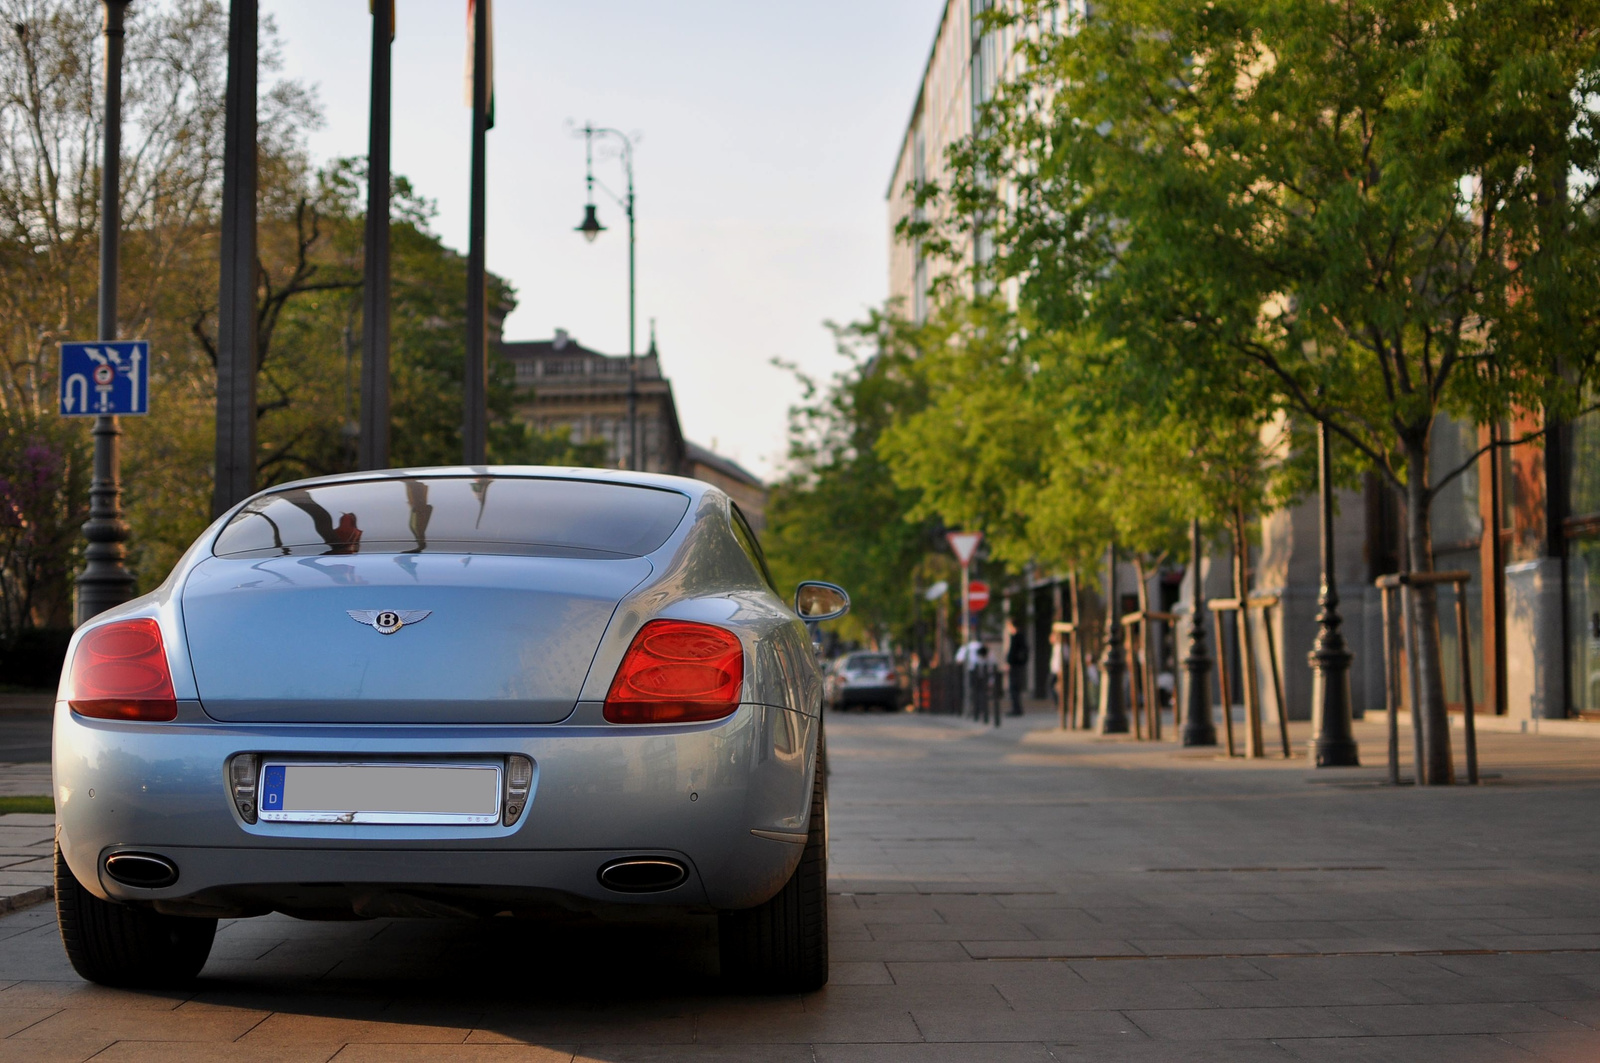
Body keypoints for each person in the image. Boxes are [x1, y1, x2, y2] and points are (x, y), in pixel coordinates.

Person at [1005, 619, 1029, 716]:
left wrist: (1010, 663)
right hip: (1018, 665)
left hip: (1015, 666)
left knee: (1014, 688)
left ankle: (1016, 709)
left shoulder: (1016, 637)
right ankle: (1016, 708)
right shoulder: (1021, 636)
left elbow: (1013, 652)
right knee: (1015, 688)